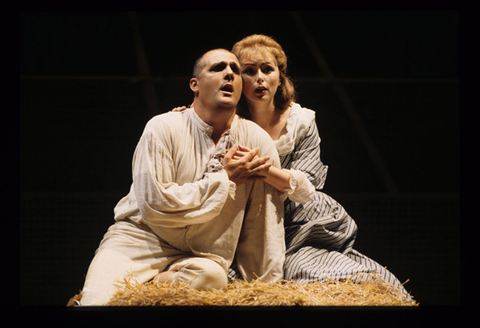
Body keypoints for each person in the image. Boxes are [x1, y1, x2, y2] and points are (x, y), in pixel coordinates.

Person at [78, 48, 285, 306]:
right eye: (218, 68)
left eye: (234, 69)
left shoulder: (257, 141)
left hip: (201, 255)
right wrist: (224, 178)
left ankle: (154, 284)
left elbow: (263, 223)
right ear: (194, 85)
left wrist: (266, 288)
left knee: (212, 279)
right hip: (140, 240)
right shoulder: (163, 127)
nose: (229, 73)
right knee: (95, 302)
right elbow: (155, 203)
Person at [228, 34, 408, 292]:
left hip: (299, 221)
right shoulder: (228, 121)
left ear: (280, 76)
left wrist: (264, 170)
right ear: (238, 79)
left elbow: (305, 186)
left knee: (376, 281)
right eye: (249, 71)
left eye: (267, 69)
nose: (259, 78)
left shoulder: (300, 121)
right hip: (246, 220)